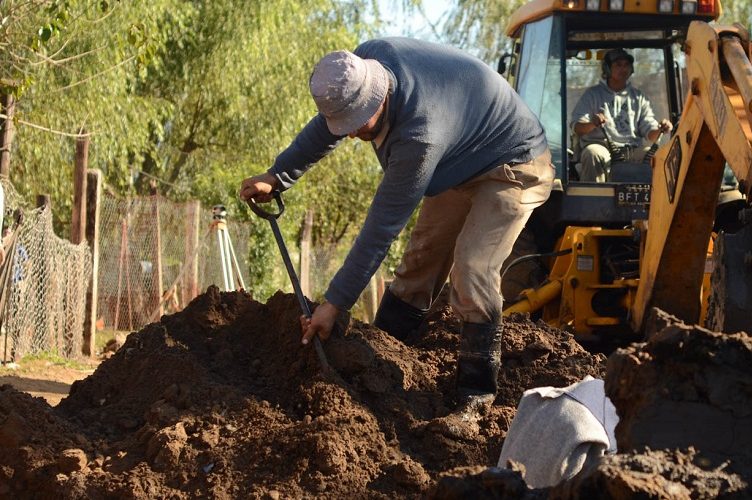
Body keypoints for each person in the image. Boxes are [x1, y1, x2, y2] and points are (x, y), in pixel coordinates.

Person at [239, 38, 553, 414]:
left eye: (357, 125)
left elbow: (380, 230)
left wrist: (335, 304)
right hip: (460, 159)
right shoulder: (361, 64)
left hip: (514, 163)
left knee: (472, 268)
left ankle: (476, 394)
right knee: (421, 258)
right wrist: (277, 175)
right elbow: (327, 126)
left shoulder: (418, 137)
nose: (351, 133)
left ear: (377, 98)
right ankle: (384, 354)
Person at [570, 48, 673, 182]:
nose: (623, 69)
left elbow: (650, 134)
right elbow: (577, 127)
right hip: (603, 147)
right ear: (607, 69)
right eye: (618, 65)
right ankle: (595, 201)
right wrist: (592, 123)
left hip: (631, 149)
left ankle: (652, 202)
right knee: (592, 154)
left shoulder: (638, 97)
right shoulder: (592, 95)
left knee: (658, 156)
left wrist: (660, 129)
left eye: (626, 65)